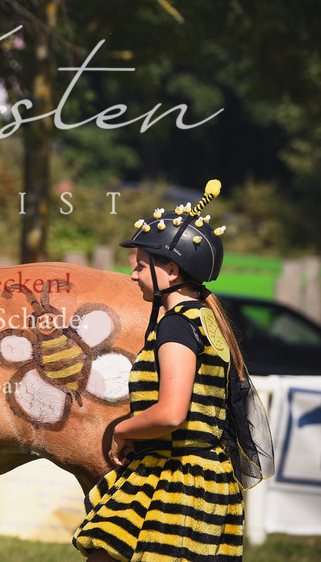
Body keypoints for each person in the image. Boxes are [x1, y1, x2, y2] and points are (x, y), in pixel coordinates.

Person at [73, 181, 273, 561]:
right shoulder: (205, 319)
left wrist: (120, 430)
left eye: (140, 267)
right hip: (192, 474)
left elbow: (171, 412)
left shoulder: (177, 325)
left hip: (177, 480)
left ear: (170, 268)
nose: (132, 276)